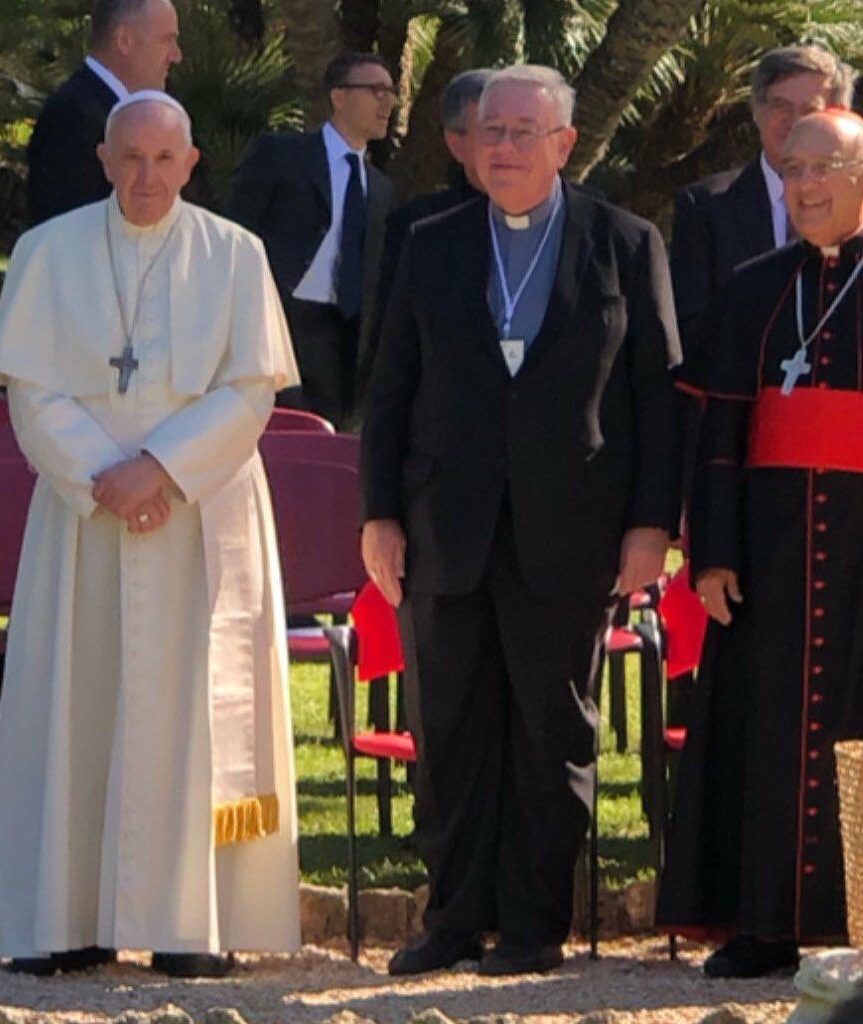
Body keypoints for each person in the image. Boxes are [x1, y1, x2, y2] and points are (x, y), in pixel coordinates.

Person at [360, 64, 682, 977]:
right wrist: (378, 513)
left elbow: (657, 399)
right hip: (443, 527)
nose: (501, 148)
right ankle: (454, 917)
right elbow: (387, 388)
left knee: (552, 732)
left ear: (565, 144)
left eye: (522, 133)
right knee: (450, 729)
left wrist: (651, 525)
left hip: (570, 528)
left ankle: (535, 926)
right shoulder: (427, 239)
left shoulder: (624, 242)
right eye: (488, 130)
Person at [0, 91, 301, 978]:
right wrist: (106, 479)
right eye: (130, 157)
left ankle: (191, 923)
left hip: (199, 509)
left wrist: (157, 469)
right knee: (72, 703)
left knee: (196, 711)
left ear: (192, 163)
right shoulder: (47, 253)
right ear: (103, 157)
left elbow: (250, 392)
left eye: (164, 159)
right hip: (83, 515)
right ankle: (64, 919)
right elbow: (32, 392)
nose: (146, 176)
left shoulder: (237, 256)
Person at [657, 109, 863, 978]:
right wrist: (713, 553)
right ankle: (766, 923)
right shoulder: (754, 285)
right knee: (765, 730)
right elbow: (720, 433)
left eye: (825, 167)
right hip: (770, 553)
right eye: (792, 170)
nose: (804, 186)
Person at [228, 53, 397, 428]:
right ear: (339, 96)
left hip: (342, 339)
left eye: (391, 91)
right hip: (278, 321)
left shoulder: (382, 189)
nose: (387, 101)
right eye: (375, 90)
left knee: (324, 442)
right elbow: (235, 234)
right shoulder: (281, 155)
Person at [672, 45, 855, 383]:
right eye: (779, 106)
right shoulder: (706, 208)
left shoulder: (858, 211)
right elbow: (691, 333)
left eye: (810, 110)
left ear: (839, 115)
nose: (794, 121)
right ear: (756, 111)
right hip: (742, 412)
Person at [358, 68, 491, 402]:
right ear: (456, 143)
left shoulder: (586, 223)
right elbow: (391, 339)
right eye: (493, 130)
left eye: (523, 130)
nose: (509, 145)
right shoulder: (418, 226)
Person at [27, 0, 182, 225]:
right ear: (124, 41)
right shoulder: (70, 119)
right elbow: (66, 232)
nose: (176, 55)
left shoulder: (132, 110)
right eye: (167, 40)